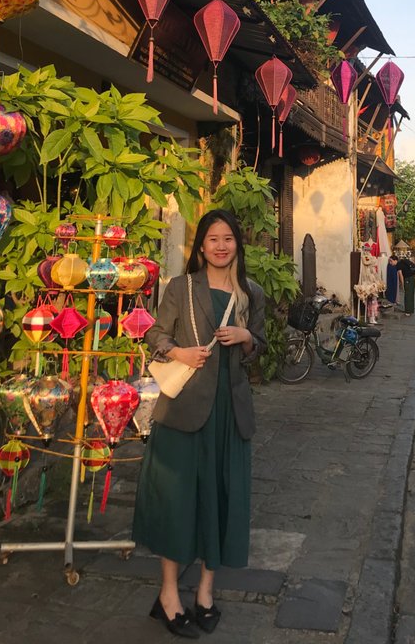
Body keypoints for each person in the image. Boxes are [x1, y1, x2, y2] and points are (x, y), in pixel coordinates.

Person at [133, 209, 266, 638]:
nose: (221, 246)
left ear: (237, 245)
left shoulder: (250, 292)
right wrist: (179, 353)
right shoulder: (182, 288)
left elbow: (259, 345)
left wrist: (246, 338)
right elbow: (154, 333)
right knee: (178, 502)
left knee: (221, 500)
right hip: (185, 410)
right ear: (201, 246)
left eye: (228, 238)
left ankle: (206, 592)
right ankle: (168, 595)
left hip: (231, 412)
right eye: (213, 239)